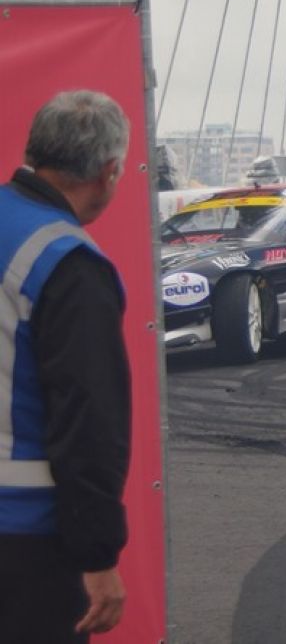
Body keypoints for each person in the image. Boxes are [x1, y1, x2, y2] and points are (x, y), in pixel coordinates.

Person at [0, 91, 133, 641]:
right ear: (108, 172)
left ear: (34, 152)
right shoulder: (68, 263)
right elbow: (89, 422)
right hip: (26, 539)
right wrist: (97, 556)